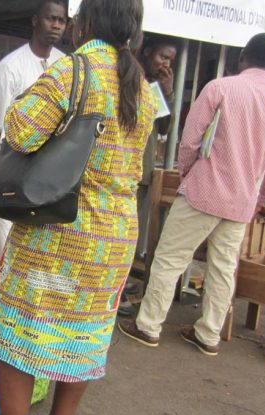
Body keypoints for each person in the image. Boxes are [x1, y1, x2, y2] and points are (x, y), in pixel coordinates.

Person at [0, 0, 157, 415]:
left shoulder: (73, 70)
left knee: (20, 337)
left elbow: (20, 130)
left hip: (58, 234)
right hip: (113, 238)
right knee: (82, 337)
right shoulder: (142, 87)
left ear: (87, 21)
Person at [119, 33, 265, 357]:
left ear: (243, 56)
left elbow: (189, 140)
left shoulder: (220, 88)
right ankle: (208, 334)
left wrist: (188, 174)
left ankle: (148, 326)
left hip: (204, 191)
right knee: (223, 268)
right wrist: (264, 200)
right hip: (243, 200)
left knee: (170, 259)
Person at [0, 0, 67, 294]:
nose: (55, 25)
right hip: (12, 170)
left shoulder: (66, 67)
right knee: (4, 244)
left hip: (51, 173)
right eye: (50, 19)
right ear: (34, 21)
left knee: (41, 246)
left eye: (61, 21)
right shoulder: (10, 67)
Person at [118, 34, 178, 317]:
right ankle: (116, 289)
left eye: (170, 60)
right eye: (163, 57)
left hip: (141, 168)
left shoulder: (157, 84)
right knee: (120, 231)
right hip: (124, 165)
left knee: (131, 230)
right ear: (149, 51)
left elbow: (165, 125)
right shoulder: (132, 74)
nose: (166, 64)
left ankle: (121, 280)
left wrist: (168, 92)